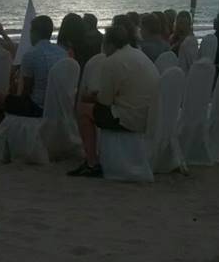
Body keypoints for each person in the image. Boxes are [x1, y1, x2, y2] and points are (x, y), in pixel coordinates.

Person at [68, 22, 160, 177]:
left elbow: (104, 102)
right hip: (151, 115)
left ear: (109, 44)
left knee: (84, 110)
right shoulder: (138, 54)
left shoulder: (112, 61)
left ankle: (91, 162)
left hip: (129, 118)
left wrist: (89, 96)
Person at [0, 15, 67, 129]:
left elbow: (26, 91)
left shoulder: (31, 55)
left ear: (35, 33)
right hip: (57, 106)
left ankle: (3, 136)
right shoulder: (62, 53)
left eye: (30, 31)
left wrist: (13, 92)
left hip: (37, 108)